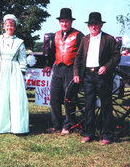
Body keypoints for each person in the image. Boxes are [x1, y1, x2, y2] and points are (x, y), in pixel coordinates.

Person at [73, 12, 121, 145]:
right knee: (88, 105)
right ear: (88, 26)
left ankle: (107, 135)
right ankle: (88, 133)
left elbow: (116, 57)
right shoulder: (84, 39)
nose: (94, 27)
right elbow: (78, 57)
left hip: (103, 76)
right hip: (88, 75)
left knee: (106, 105)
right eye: (91, 25)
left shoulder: (109, 39)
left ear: (101, 25)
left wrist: (106, 67)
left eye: (96, 24)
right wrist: (76, 73)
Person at [44, 8, 84, 136]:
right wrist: (49, 65)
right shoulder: (55, 35)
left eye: (66, 21)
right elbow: (51, 52)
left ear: (71, 22)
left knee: (69, 98)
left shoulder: (78, 35)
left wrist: (78, 72)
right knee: (54, 97)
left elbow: (82, 55)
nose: (64, 24)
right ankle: (56, 125)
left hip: (71, 69)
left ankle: (68, 125)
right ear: (59, 22)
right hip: (57, 68)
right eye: (62, 21)